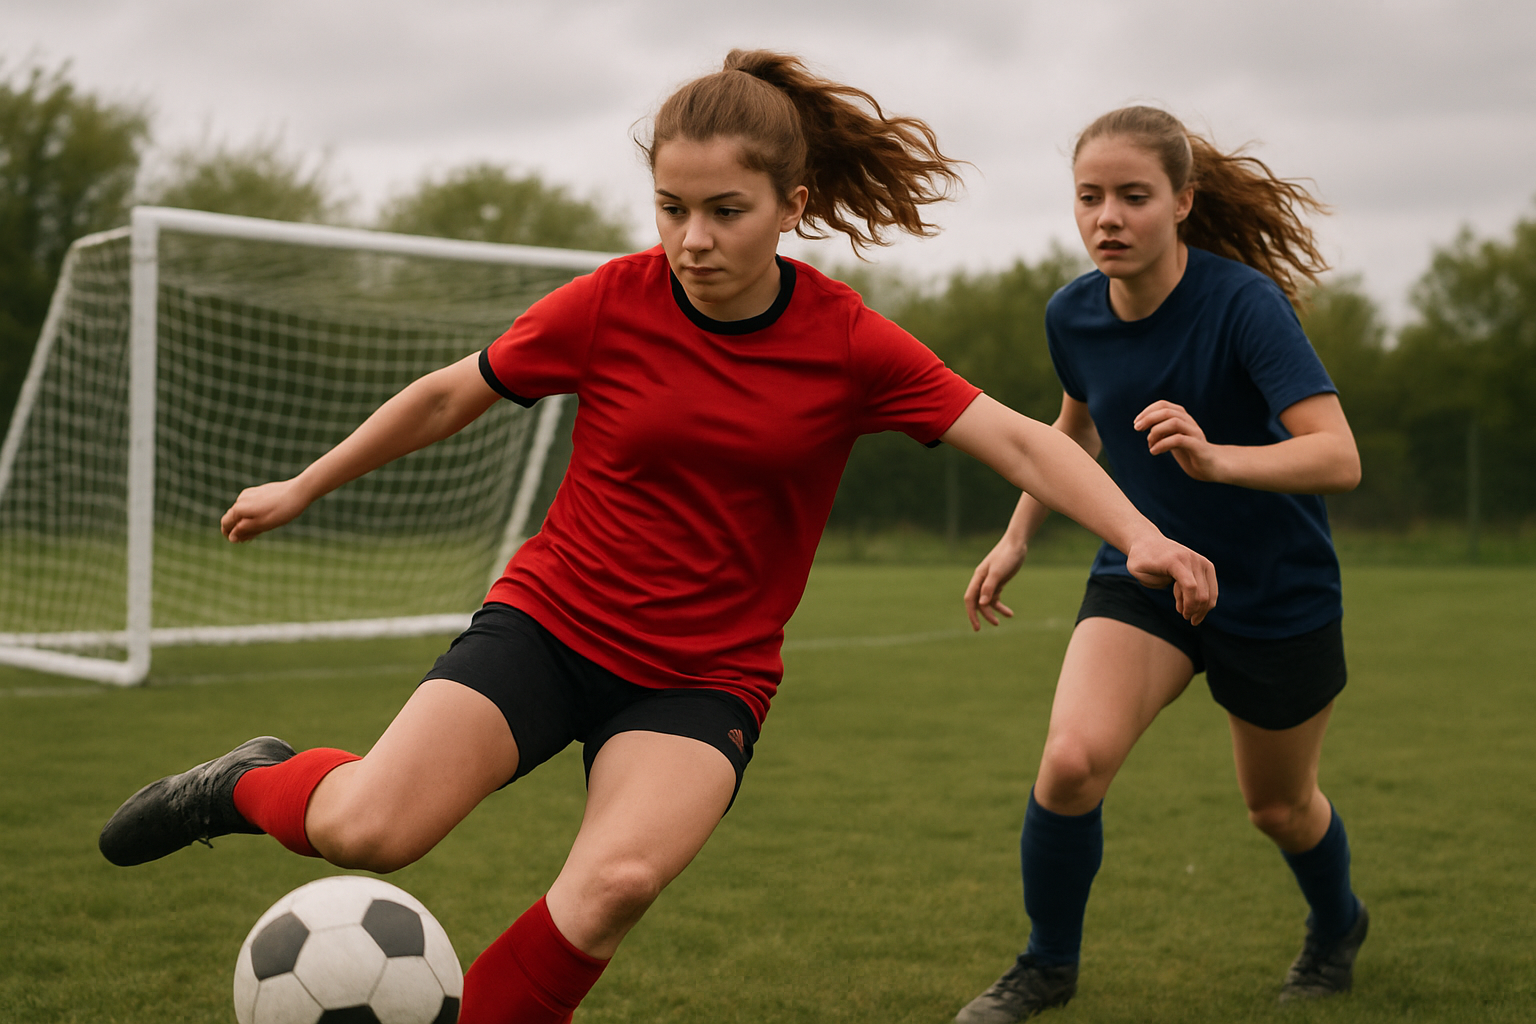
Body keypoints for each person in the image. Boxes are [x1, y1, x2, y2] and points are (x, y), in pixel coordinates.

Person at [98, 56, 1215, 1024]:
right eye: (671, 208)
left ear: (791, 204)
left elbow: (1023, 443)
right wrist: (306, 481)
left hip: (703, 673)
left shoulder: (847, 342)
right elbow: (451, 396)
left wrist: (1142, 534)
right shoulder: (609, 303)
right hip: (549, 624)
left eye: (724, 210)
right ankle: (243, 783)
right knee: (368, 828)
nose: (692, 238)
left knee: (614, 883)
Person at [952, 105, 1366, 1024]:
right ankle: (1046, 967)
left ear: (1181, 202)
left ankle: (1338, 925)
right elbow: (1073, 431)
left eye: (1133, 197)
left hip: (1275, 591)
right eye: (1090, 197)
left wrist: (1216, 457)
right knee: (1069, 763)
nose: (1108, 217)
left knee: (1280, 808)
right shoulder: (1072, 313)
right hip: (1143, 577)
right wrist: (1019, 534)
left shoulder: (1243, 303)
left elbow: (1339, 457)